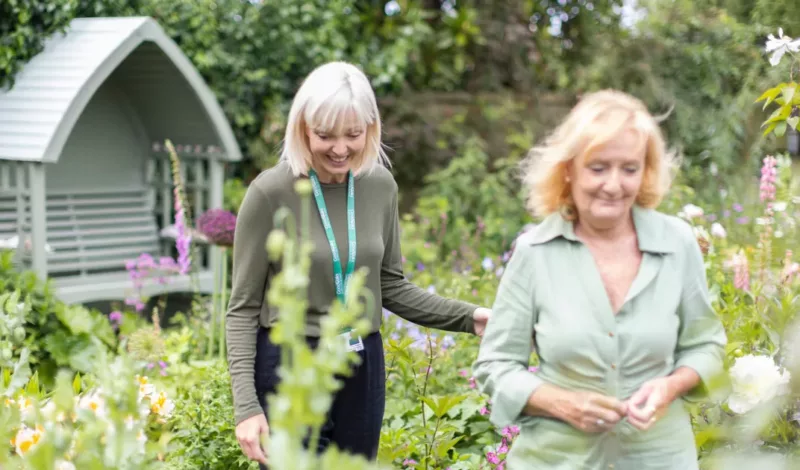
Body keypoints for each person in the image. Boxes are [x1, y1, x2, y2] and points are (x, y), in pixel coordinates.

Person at [226, 61, 492, 468]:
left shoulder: (380, 186)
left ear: (370, 127)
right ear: (302, 129)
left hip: (361, 362)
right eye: (324, 135)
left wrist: (471, 318)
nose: (340, 148)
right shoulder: (269, 192)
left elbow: (391, 285)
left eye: (353, 134)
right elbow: (242, 308)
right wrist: (246, 406)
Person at [472, 90, 727, 469]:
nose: (614, 185)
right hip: (555, 460)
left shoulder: (678, 244)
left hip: (659, 458)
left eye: (629, 168)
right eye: (598, 167)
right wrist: (562, 403)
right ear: (569, 168)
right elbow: (495, 366)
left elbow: (706, 345)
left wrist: (670, 385)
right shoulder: (535, 253)